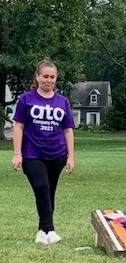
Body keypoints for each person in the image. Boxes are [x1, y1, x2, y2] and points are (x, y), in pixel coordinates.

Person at [11, 57, 75, 245]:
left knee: (49, 192)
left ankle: (42, 231)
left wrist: (71, 156)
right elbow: (19, 126)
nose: (49, 80)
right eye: (45, 76)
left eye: (52, 77)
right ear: (37, 77)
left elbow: (68, 129)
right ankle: (50, 229)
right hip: (32, 153)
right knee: (42, 188)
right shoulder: (26, 99)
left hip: (57, 154)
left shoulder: (62, 101)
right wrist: (17, 153)